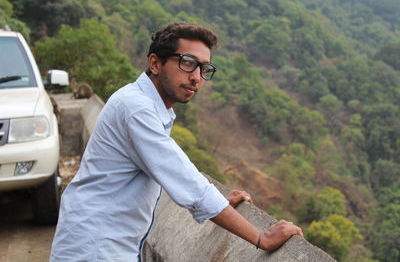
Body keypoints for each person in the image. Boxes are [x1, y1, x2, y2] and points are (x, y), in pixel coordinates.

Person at [50, 22, 303, 262]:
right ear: (155, 63)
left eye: (204, 69)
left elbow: (172, 173)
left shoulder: (147, 105)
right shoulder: (136, 108)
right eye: (188, 63)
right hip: (95, 248)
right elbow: (184, 179)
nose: (197, 77)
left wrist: (220, 204)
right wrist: (261, 237)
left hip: (104, 242)